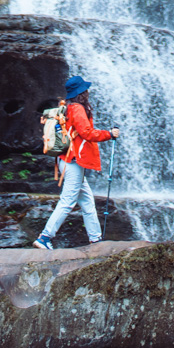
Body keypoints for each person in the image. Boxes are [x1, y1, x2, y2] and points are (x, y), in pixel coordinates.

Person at [34, 74, 117, 251]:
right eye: (85, 89)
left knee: (87, 201)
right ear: (82, 92)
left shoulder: (67, 107)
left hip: (67, 160)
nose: (88, 92)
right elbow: (87, 133)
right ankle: (45, 237)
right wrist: (109, 134)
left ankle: (95, 239)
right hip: (72, 162)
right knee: (67, 201)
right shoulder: (78, 109)